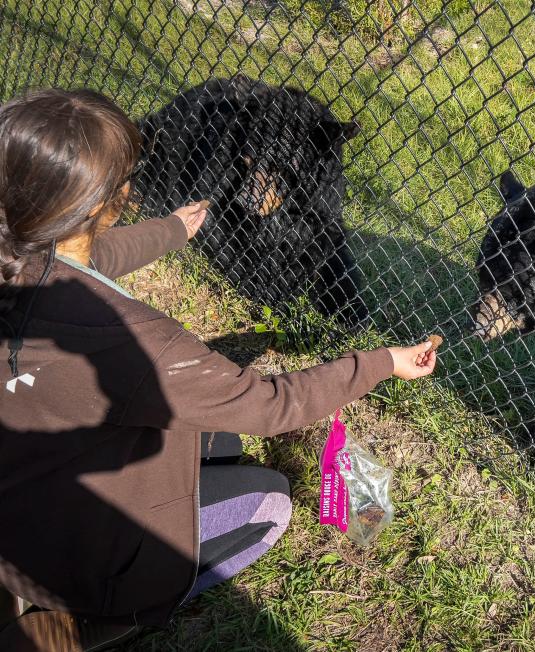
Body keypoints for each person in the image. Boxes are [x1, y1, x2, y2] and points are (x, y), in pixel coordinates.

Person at [0, 89, 436, 650]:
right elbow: (274, 406)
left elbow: (93, 257)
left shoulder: (22, 255)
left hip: (21, 502)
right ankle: (117, 616)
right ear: (102, 204)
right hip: (75, 566)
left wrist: (176, 229)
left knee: (219, 438)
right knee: (270, 499)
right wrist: (381, 362)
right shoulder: (139, 341)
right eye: (125, 181)